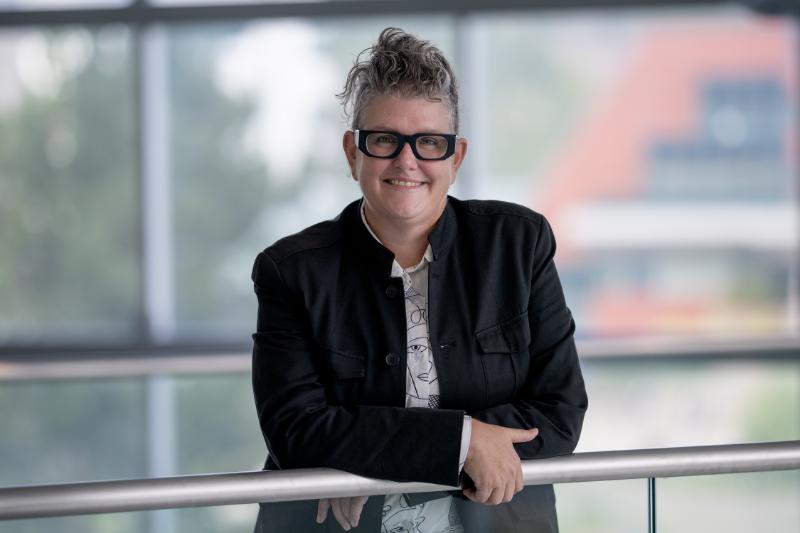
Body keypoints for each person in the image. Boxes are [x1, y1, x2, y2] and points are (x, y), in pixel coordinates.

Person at [251, 27, 588, 533]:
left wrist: (367, 465)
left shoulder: (520, 244)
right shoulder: (292, 271)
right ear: (352, 153)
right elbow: (296, 428)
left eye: (429, 142)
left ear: (457, 157)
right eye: (385, 140)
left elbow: (560, 412)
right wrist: (464, 443)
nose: (407, 161)